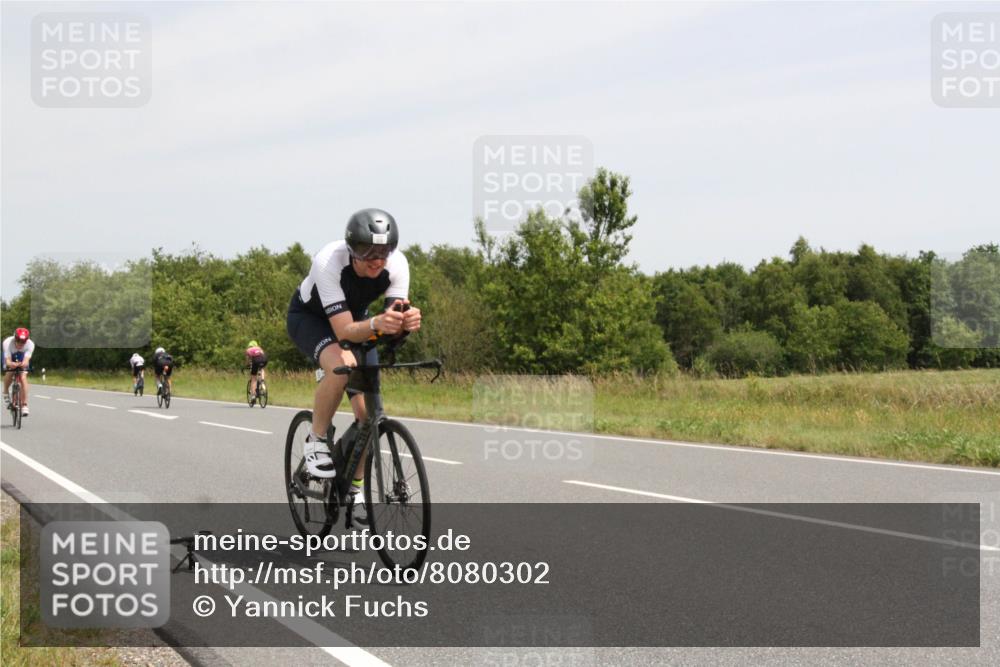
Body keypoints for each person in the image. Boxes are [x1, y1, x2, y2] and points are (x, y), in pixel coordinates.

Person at [286, 208, 421, 523]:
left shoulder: (398, 265)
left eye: (383, 252)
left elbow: (388, 327)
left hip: (358, 322)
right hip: (311, 320)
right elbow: (344, 332)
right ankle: (316, 440)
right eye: (367, 252)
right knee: (340, 365)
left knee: (369, 416)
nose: (376, 260)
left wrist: (404, 324)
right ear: (351, 249)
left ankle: (355, 491)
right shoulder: (328, 261)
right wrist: (377, 324)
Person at [2, 328, 34, 416]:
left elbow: (26, 360)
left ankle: (24, 405)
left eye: (23, 342)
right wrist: (11, 364)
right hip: (10, 356)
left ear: (26, 340)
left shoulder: (30, 344)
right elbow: (8, 361)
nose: (20, 343)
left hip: (22, 357)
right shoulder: (7, 342)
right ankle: (5, 392)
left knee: (23, 377)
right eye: (18, 341)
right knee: (10, 372)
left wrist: (23, 364)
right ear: (14, 338)